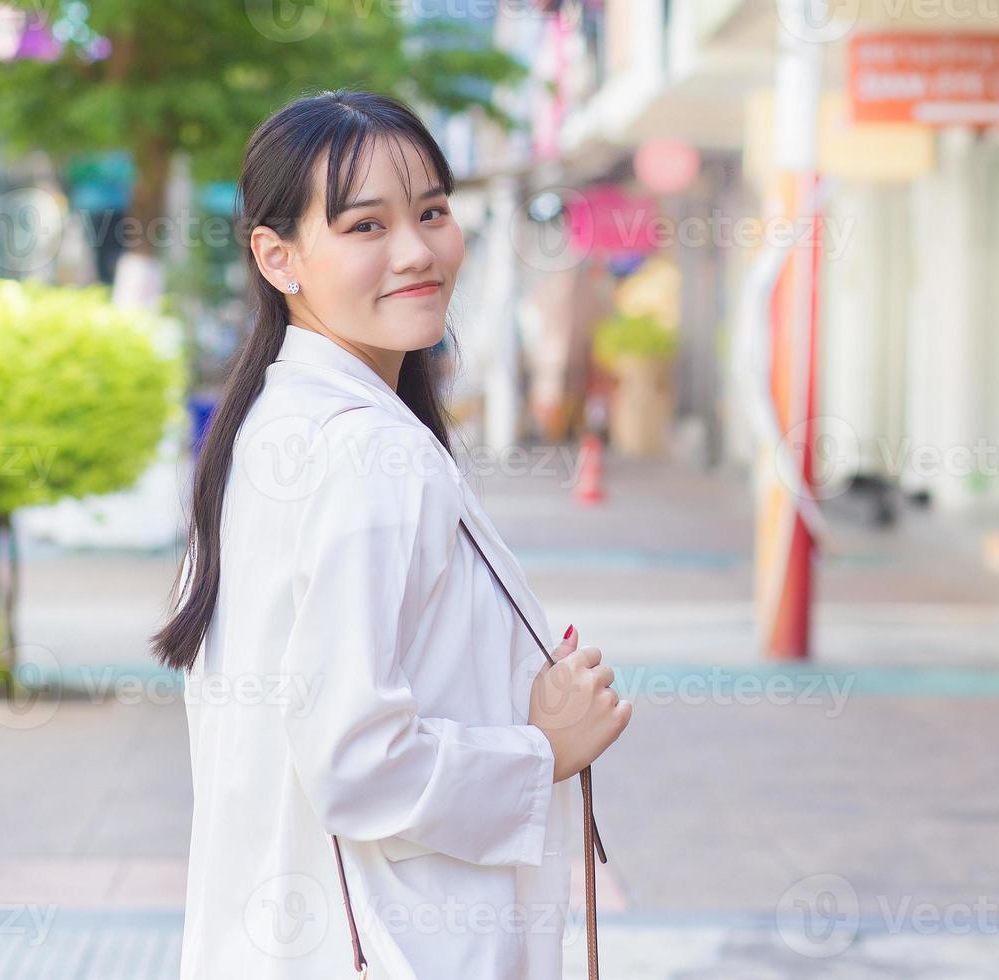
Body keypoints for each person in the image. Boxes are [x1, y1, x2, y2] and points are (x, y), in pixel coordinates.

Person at [151, 89, 632, 979]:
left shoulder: (271, 425)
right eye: (365, 226)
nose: (417, 252)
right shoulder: (368, 452)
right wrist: (540, 752)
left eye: (433, 213)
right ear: (277, 256)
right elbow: (356, 758)